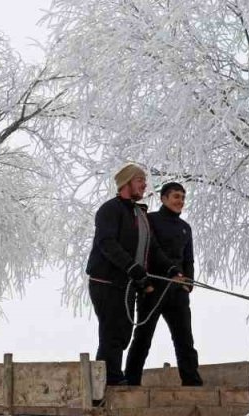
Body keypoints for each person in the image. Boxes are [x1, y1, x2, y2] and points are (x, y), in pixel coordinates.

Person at [86, 164, 184, 386]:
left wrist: (171, 269)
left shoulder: (139, 213)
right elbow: (107, 243)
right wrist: (132, 267)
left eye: (144, 180)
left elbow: (153, 248)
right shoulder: (110, 210)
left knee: (123, 332)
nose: (144, 184)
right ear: (126, 183)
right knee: (112, 331)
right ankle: (109, 381)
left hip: (128, 283)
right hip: (106, 281)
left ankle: (112, 377)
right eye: (140, 179)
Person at [124, 182, 204, 386]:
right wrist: (163, 276)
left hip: (178, 291)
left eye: (183, 197)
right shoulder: (150, 220)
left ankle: (192, 382)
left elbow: (189, 260)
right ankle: (131, 381)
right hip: (153, 287)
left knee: (185, 339)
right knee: (143, 337)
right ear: (164, 198)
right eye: (176, 196)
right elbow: (151, 250)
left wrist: (189, 283)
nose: (181, 201)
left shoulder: (186, 228)